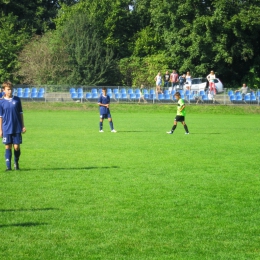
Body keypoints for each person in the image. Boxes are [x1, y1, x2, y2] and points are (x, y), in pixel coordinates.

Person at [0, 81, 26, 171]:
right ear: (4, 90)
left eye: (11, 89)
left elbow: (21, 113)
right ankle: (8, 167)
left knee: (16, 147)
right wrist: (0, 130)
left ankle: (16, 162)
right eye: (8, 89)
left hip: (17, 127)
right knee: (7, 146)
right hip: (6, 127)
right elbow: (0, 117)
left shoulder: (17, 100)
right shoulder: (1, 102)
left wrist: (23, 125)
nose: (10, 91)